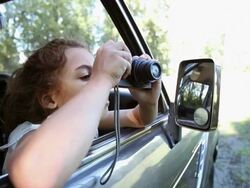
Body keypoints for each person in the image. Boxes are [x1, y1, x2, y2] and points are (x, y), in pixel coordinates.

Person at [1, 38, 161, 187]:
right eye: (86, 76)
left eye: (97, 72)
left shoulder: (89, 119)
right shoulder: (27, 133)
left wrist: (149, 102)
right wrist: (102, 79)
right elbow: (32, 174)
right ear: (50, 100)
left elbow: (138, 118)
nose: (109, 86)